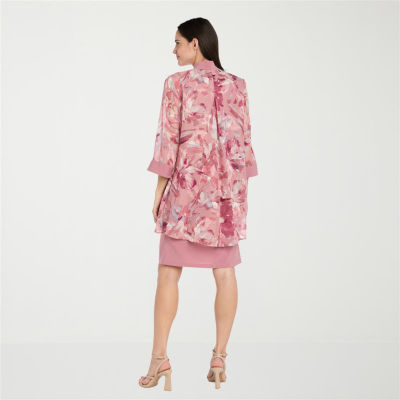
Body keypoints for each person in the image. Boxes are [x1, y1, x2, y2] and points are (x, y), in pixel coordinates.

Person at [138, 17, 258, 390]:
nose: (173, 50)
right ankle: (219, 358)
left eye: (177, 43)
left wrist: (158, 193)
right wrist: (236, 199)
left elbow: (168, 141)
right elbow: (244, 146)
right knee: (225, 273)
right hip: (225, 201)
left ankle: (159, 360)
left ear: (195, 43)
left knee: (168, 272)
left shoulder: (177, 84)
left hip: (185, 196)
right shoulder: (237, 85)